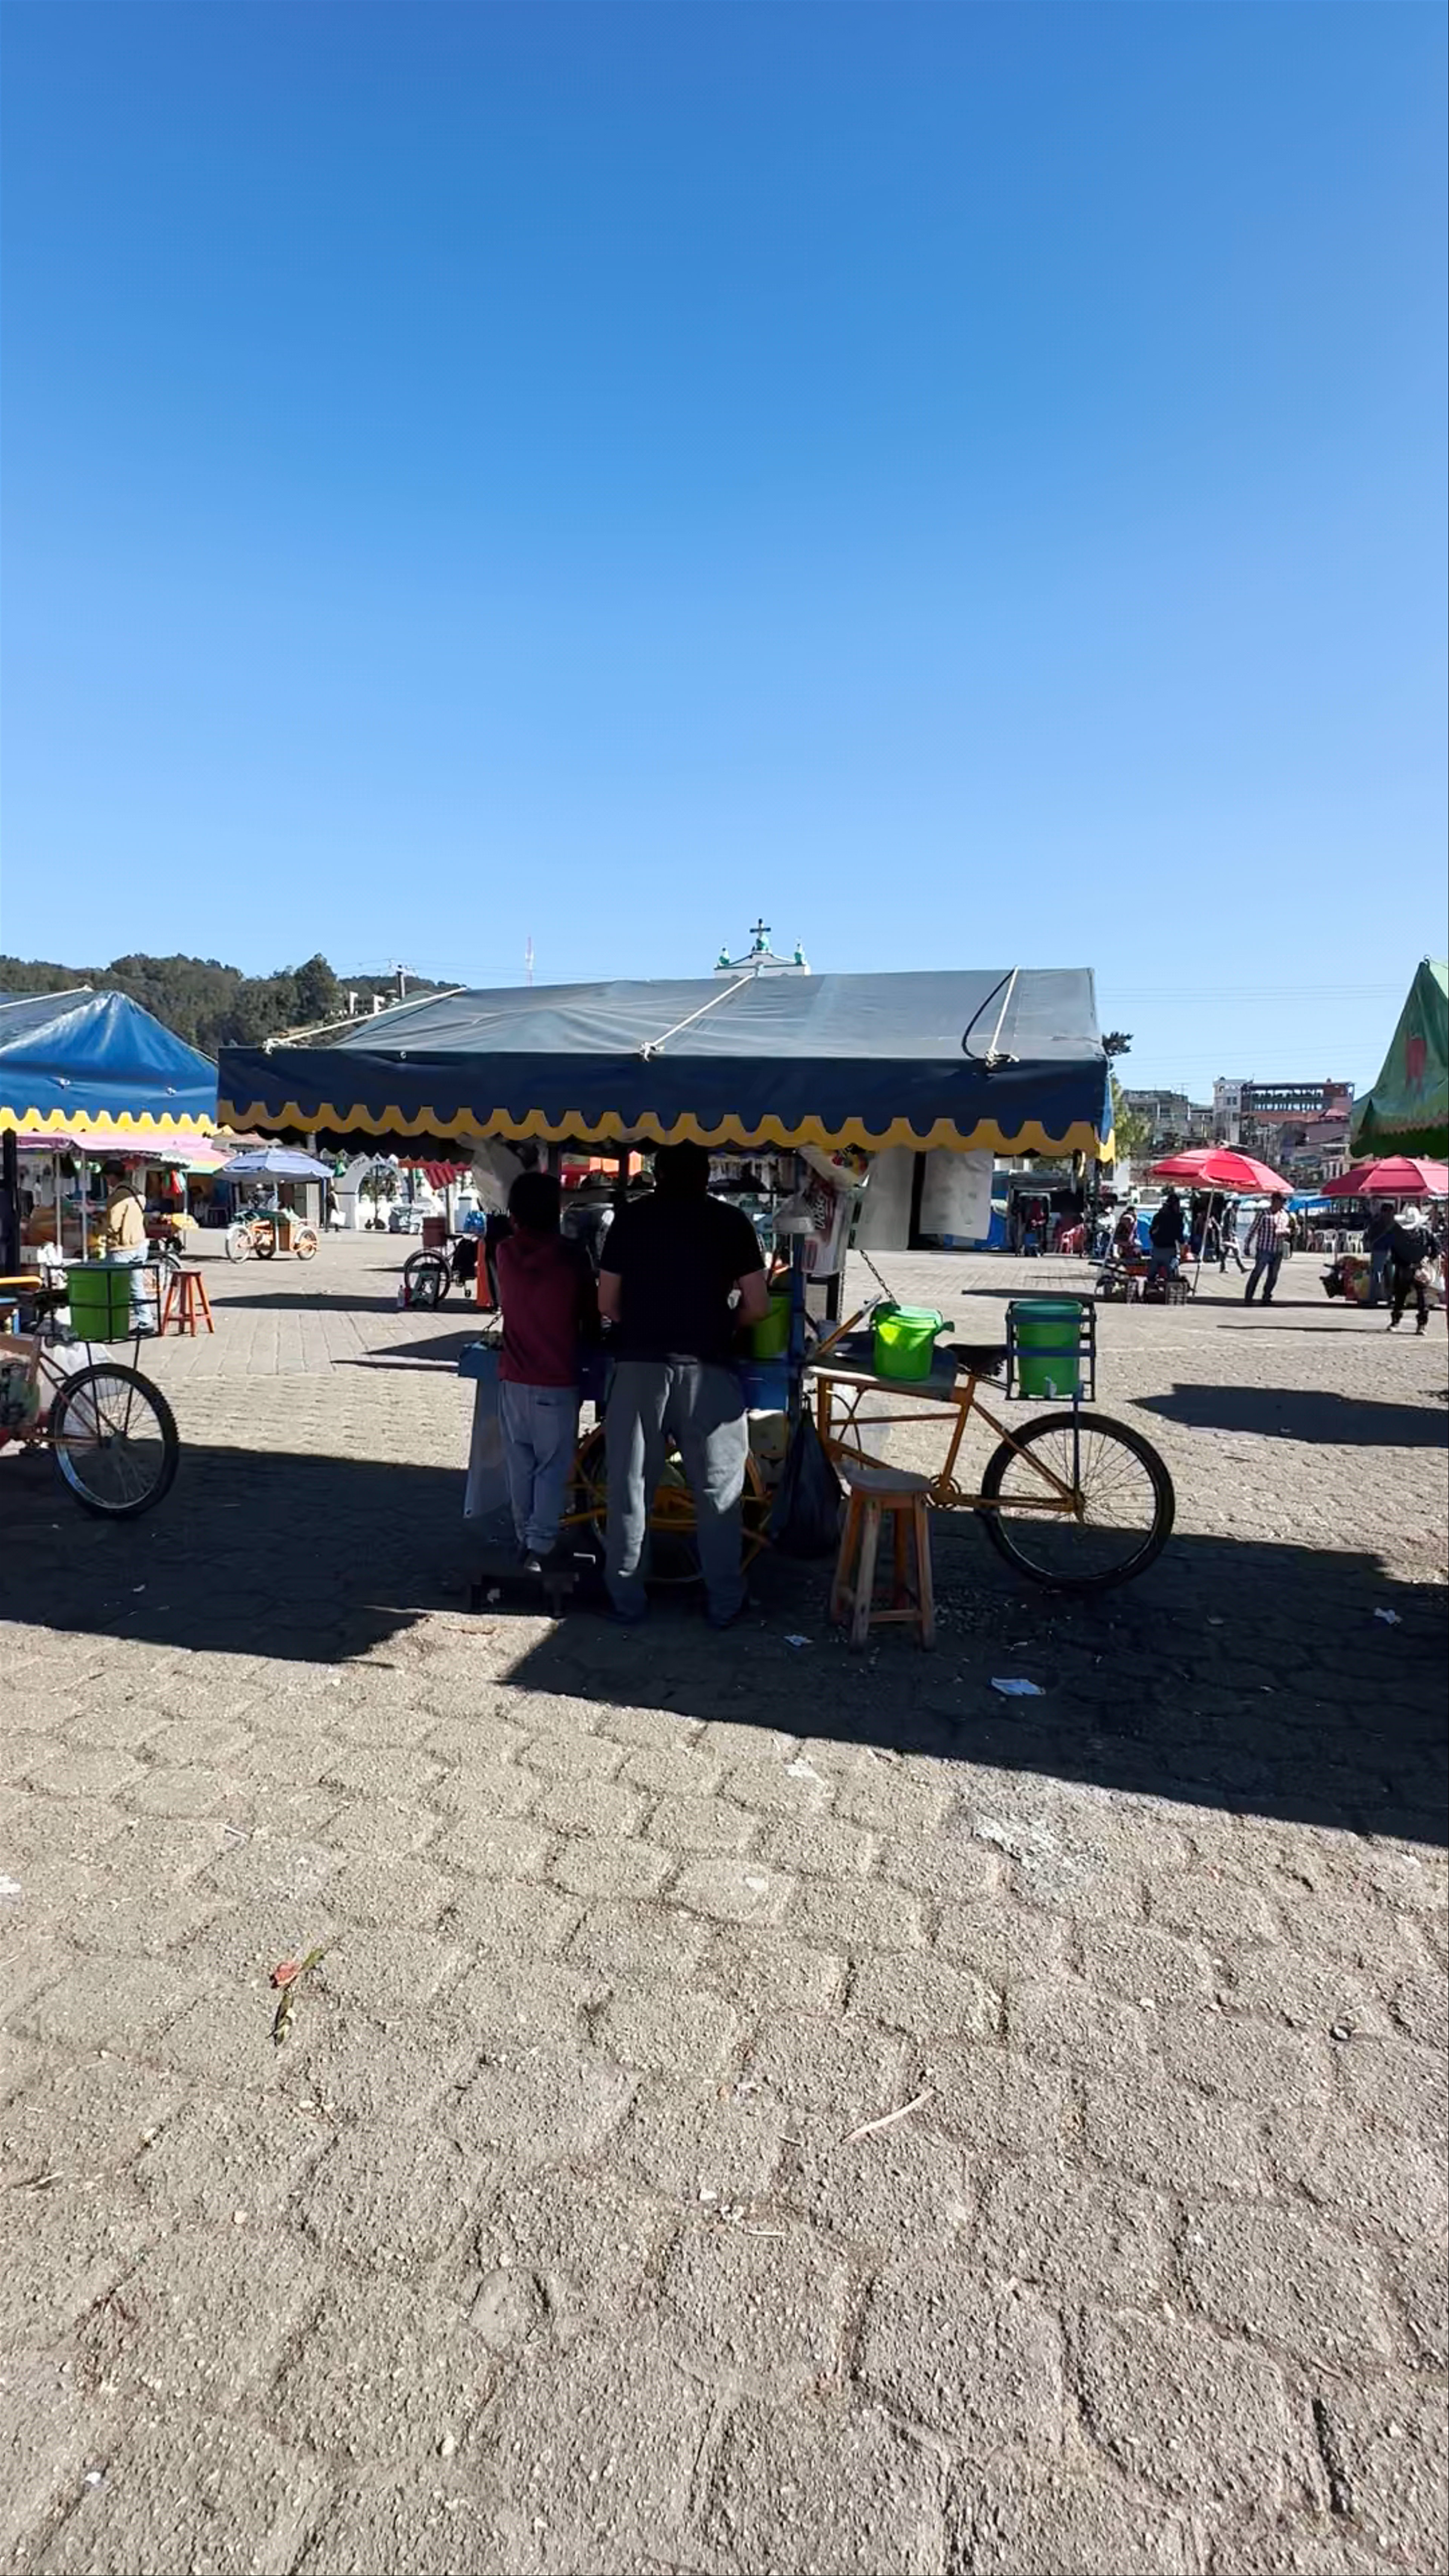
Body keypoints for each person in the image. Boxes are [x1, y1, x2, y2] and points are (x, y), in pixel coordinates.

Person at [599, 1141, 770, 1628]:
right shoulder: (731, 1221)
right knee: (719, 1490)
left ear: (656, 1175)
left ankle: (627, 1598)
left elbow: (606, 1302)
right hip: (708, 1368)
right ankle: (724, 1601)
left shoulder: (630, 1219)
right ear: (706, 1176)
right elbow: (759, 1305)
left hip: (639, 1368)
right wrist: (725, 1323)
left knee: (630, 1485)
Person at [493, 1171, 598, 1569]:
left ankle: (525, 1538)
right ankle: (538, 1546)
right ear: (556, 1212)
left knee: (521, 1466)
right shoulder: (572, 1256)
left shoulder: (504, 1252)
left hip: (513, 1380)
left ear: (516, 1214)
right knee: (553, 1468)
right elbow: (590, 1317)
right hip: (556, 1381)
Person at [101, 1163, 156, 1333]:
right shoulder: (137, 1193)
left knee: (113, 1288)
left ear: (112, 1177)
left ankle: (113, 1324)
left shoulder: (118, 1196)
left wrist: (99, 1228)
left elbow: (113, 1225)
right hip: (140, 1244)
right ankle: (146, 1322)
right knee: (136, 1286)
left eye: (106, 1178)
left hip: (122, 1247)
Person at [1385, 1204, 1438, 1336]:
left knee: (1422, 1298)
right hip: (1404, 1267)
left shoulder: (1426, 1233)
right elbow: (1394, 1252)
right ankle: (1395, 1321)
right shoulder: (1398, 1234)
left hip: (1421, 1268)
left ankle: (1422, 1325)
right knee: (1400, 1296)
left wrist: (1427, 1259)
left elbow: (1436, 1248)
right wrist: (1399, 1264)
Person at [1244, 1193, 1290, 1304]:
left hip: (1278, 1250)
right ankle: (1249, 1297)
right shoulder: (1264, 1214)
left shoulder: (1284, 1215)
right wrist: (1247, 1245)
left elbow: (1288, 1229)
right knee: (1257, 1273)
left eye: (1283, 1202)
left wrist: (1288, 1232)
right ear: (1274, 1202)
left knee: (1273, 1276)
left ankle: (1267, 1297)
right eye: (1281, 1202)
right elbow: (1253, 1230)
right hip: (1264, 1249)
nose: (1282, 1205)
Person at [1147, 1189, 1186, 1282]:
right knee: (1171, 1276)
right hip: (1169, 1249)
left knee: (1152, 1276)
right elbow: (1179, 1235)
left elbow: (1152, 1232)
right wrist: (1183, 1247)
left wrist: (1155, 1240)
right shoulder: (1177, 1218)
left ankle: (1151, 1291)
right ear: (1176, 1205)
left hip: (1157, 1248)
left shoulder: (1158, 1216)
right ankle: (1168, 1293)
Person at [1363, 1203, 1396, 1307]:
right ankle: (1387, 1298)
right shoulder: (1388, 1223)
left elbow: (1369, 1237)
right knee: (1386, 1275)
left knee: (1379, 1274)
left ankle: (1375, 1298)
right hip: (1386, 1251)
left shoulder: (1376, 1223)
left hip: (1382, 1251)